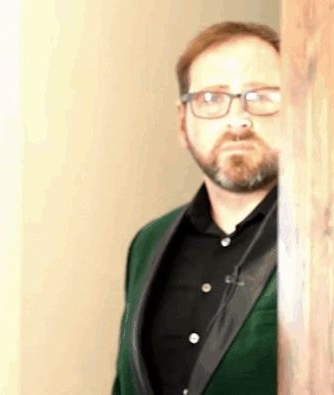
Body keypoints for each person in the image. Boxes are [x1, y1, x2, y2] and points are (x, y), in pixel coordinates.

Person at [113, 21, 280, 395]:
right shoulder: (148, 242)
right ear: (182, 122)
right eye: (211, 99)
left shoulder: (331, 238)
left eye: (261, 96)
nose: (238, 121)